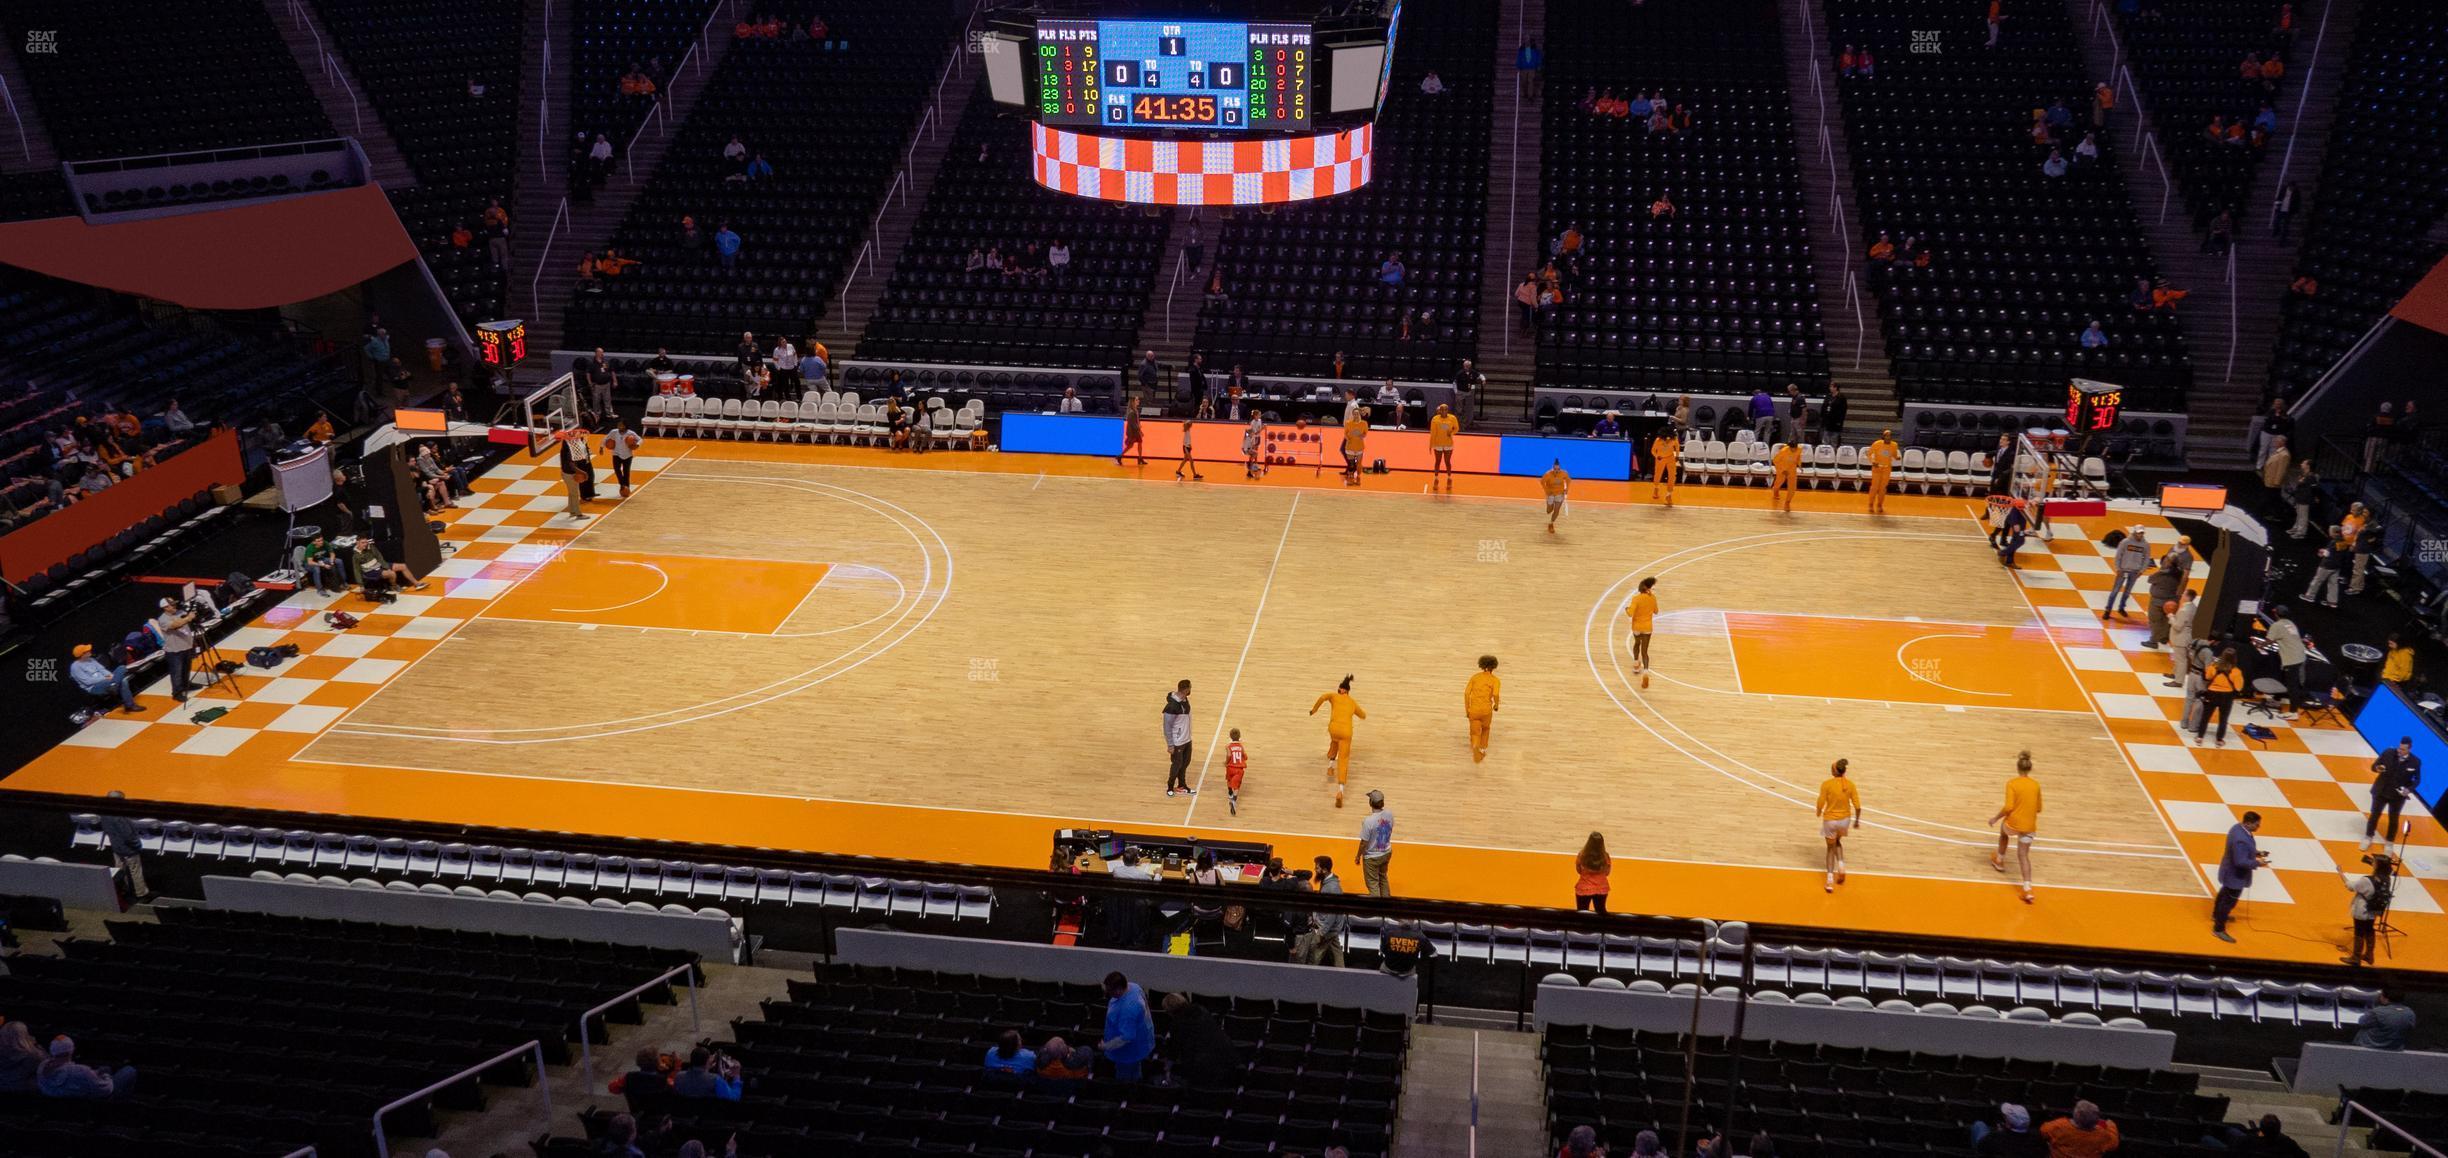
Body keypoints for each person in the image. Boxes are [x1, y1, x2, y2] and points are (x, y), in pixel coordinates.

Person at [1989, 751, 2042, 904]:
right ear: (2030, 768)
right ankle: (2028, 890)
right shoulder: (2036, 785)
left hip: (2013, 824)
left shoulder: (2012, 783)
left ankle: (1999, 860)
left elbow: (2008, 807)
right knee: (2023, 856)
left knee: (2003, 832)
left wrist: (1995, 818)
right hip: (2029, 825)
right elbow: (2038, 808)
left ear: (2017, 768)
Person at [2211, 812, 2269, 942]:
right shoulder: (2241, 840)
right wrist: (2257, 863)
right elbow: (2240, 861)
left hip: (2228, 870)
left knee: (2223, 893)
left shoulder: (2237, 828)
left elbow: (2243, 850)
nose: (2258, 827)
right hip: (2235, 876)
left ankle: (2216, 915)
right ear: (2248, 823)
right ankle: (2218, 929)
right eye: (2257, 825)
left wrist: (2256, 852)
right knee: (2228, 902)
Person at [1161, 993, 1243, 1086]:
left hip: (1204, 1068)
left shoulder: (1177, 1025)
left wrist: (1167, 1069)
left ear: (1170, 1012)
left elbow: (1174, 1051)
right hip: (1228, 1059)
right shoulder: (1201, 1010)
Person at [1312, 676, 1367, 806]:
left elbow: (1322, 697)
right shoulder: (1352, 702)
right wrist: (1363, 715)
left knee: (1334, 742)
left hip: (1333, 729)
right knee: (1343, 759)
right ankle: (1340, 791)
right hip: (1346, 733)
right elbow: (1362, 715)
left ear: (1340, 690)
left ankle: (1330, 767)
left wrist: (1314, 710)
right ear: (1347, 691)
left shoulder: (1333, 696)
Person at [1097, 971, 1156, 1081]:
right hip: (1141, 1039)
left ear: (1119, 989)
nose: (1107, 992)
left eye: (1109, 990)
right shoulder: (1134, 987)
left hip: (1129, 1052)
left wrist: (1106, 1046)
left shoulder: (1128, 1010)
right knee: (1135, 1068)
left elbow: (1126, 1037)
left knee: (1126, 1076)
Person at [95, 790, 153, 902]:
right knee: (135, 870)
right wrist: (137, 845)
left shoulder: (104, 813)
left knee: (120, 871)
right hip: (128, 849)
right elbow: (128, 835)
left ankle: (122, 890)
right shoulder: (119, 816)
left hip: (116, 847)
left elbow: (106, 830)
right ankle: (141, 893)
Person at [2365, 737, 2421, 850]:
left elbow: (2417, 779)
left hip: (2397, 796)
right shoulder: (2388, 753)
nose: (2400, 751)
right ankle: (2368, 836)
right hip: (2381, 790)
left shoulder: (2415, 762)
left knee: (2393, 819)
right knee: (2374, 815)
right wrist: (2377, 768)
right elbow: (2374, 766)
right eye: (2399, 748)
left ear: (2409, 749)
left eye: (2403, 750)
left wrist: (2408, 789)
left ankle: (2389, 842)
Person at [1816, 758, 1862, 893]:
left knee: (1830, 849)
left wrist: (1818, 811)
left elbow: (1821, 801)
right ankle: (1841, 865)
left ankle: (1829, 880)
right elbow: (1858, 806)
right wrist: (1857, 821)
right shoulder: (1851, 785)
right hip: (1844, 820)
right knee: (1838, 842)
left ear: (1835, 771)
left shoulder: (1826, 784)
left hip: (1830, 820)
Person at [37, 1037, 133, 1098]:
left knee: (105, 1068)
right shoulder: (80, 1070)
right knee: (129, 1070)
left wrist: (94, 1074)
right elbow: (106, 1090)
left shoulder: (42, 1067)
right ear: (71, 1050)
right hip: (91, 1104)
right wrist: (106, 1076)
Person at [2144, 537, 2193, 646]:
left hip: (2160, 598)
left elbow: (2150, 579)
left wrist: (2180, 591)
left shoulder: (2187, 558)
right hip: (2172, 597)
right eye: (2179, 542)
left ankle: (2153, 641)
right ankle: (2164, 638)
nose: (2180, 544)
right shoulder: (2174, 553)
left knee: (2155, 619)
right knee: (2168, 618)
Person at [2345, 854, 2392, 967]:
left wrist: (2342, 875)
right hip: (2374, 909)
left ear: (2378, 865)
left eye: (2374, 861)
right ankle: (2369, 955)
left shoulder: (2367, 880)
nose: (2372, 862)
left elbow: (2351, 886)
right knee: (2369, 929)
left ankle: (2356, 957)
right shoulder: (2387, 878)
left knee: (2359, 931)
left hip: (2362, 908)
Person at [151, 597, 199, 703]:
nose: (174, 607)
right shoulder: (162, 619)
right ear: (165, 608)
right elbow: (175, 625)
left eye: (174, 604)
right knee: (176, 672)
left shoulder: (180, 612)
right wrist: (188, 618)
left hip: (186, 645)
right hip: (174, 650)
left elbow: (187, 620)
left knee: (186, 668)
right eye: (171, 605)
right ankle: (176, 693)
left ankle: (186, 684)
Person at [2195, 648, 2245, 748]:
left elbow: (2208, 677)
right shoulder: (2236, 672)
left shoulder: (2213, 667)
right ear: (2235, 658)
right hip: (2227, 697)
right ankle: (2219, 739)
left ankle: (2200, 737)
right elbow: (2239, 687)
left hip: (2212, 694)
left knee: (2206, 717)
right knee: (2223, 719)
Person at [69, 644, 139, 714]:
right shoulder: (75, 667)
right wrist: (105, 678)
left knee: (121, 668)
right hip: (94, 687)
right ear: (82, 654)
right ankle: (129, 705)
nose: (90, 651)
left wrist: (111, 676)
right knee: (123, 681)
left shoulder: (91, 660)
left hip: (107, 680)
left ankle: (114, 684)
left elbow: (102, 670)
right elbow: (88, 681)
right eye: (87, 651)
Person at [2040, 1103, 2119, 1158]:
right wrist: (2111, 1125)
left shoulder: (2060, 1126)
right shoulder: (2103, 1135)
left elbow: (2043, 1130)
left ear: (2076, 1114)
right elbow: (2114, 1144)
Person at [1357, 788, 1394, 895]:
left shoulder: (1368, 821)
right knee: (1383, 878)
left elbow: (1364, 842)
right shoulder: (1389, 814)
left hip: (1372, 857)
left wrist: (1358, 856)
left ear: (1370, 803)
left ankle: (1376, 909)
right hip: (1386, 852)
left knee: (1373, 884)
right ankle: (1386, 906)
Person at [1974, 1104, 2047, 1158]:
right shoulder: (2037, 1140)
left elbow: (1982, 1146)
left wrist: (2000, 1132)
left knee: (1979, 1125)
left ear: (2009, 1125)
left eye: (2006, 1118)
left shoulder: (1995, 1138)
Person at [1624, 576, 1660, 684]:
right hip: (1647, 627)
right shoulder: (1652, 598)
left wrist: (1626, 609)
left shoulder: (1636, 599)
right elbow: (1656, 611)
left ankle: (1636, 665)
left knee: (1636, 643)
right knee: (1645, 651)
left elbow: (1630, 613)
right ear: (1648, 588)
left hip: (1637, 627)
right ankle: (1645, 672)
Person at [1465, 655, 1501, 763]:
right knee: (1485, 728)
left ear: (1481, 665)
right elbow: (1495, 694)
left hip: (1474, 710)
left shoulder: (1475, 677)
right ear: (1494, 667)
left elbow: (1466, 693)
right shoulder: (1495, 680)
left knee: (1475, 732)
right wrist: (1496, 705)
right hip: (1486, 711)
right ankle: (1482, 748)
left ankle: (1475, 746)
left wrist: (1467, 709)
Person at [670, 1047, 742, 1100]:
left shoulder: (679, 1077)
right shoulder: (715, 1079)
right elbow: (734, 1098)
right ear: (707, 1062)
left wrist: (707, 1069)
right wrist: (736, 1076)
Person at [1163, 679, 1194, 798]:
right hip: (1177, 741)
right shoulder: (1171, 706)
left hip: (1187, 739)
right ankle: (1170, 786)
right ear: (1186, 690)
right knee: (1176, 764)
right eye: (1190, 688)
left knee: (1185, 763)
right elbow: (1167, 727)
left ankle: (1182, 785)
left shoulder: (1184, 699)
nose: (1191, 690)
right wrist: (1170, 745)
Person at [2302, 525, 2347, 607]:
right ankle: (2332, 602)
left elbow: (2327, 554)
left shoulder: (2334, 542)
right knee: (2333, 584)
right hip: (2336, 566)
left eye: (2330, 531)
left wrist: (2322, 551)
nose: (2329, 532)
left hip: (2327, 565)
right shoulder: (2343, 541)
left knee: (2317, 581)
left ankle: (2309, 596)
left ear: (2334, 532)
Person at [2162, 588, 2198, 688]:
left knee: (2181, 660)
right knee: (2179, 658)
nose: (2182, 595)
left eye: (2184, 594)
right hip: (2184, 637)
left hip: (2181, 638)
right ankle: (2175, 674)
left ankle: (2178, 681)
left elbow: (2178, 626)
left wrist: (2170, 616)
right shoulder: (2192, 607)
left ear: (2187, 596)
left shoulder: (2184, 610)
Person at [557, 428, 592, 521]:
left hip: (566, 473)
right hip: (569, 474)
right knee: (575, 494)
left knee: (571, 493)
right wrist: (582, 472)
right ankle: (578, 514)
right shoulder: (567, 451)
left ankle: (572, 511)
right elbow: (571, 464)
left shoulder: (566, 449)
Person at [1573, 831, 1611, 912]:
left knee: (1582, 912)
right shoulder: (1606, 857)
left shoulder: (1582, 855)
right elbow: (1607, 873)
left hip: (1584, 888)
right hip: (1601, 888)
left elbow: (1578, 870)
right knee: (1601, 911)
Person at [605, 417, 642, 498]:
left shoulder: (630, 433)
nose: (619, 426)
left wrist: (637, 445)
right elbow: (605, 439)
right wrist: (602, 447)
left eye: (621, 425)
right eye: (618, 425)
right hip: (616, 454)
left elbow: (640, 439)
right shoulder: (614, 432)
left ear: (625, 426)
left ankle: (627, 488)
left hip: (628, 455)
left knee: (626, 472)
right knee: (617, 470)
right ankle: (622, 485)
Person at [1865, 429, 1899, 514]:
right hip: (1877, 468)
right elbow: (1869, 454)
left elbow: (1894, 455)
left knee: (1882, 488)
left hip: (1887, 469)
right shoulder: (1877, 444)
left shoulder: (1894, 445)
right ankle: (1870, 504)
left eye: (1889, 435)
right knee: (1874, 487)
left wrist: (1897, 457)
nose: (1888, 437)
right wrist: (1873, 461)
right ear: (1883, 436)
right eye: (1886, 435)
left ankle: (1879, 504)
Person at [1427, 403, 1459, 483]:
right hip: (1438, 444)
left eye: (1445, 409)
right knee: (1438, 461)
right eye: (1442, 409)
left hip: (1448, 444)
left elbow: (1456, 428)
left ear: (1447, 410)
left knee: (1447, 461)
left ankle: (1449, 477)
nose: (1443, 411)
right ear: (1439, 411)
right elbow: (1433, 432)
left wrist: (1451, 433)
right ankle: (1436, 477)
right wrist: (1431, 444)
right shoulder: (1435, 419)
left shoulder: (1452, 418)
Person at [1340, 406, 1369, 486]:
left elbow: (1365, 434)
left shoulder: (1364, 423)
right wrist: (1348, 438)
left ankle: (1358, 476)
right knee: (1351, 464)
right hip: (1350, 446)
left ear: (1359, 414)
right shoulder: (1348, 423)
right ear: (1353, 415)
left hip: (1359, 446)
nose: (1356, 415)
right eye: (1354, 414)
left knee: (1359, 464)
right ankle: (1351, 476)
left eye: (1357, 414)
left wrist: (1360, 435)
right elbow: (1345, 434)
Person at [1769, 440, 1801, 512]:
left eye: (1795, 448)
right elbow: (1775, 461)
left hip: (1792, 469)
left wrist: (1799, 465)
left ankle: (1787, 502)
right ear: (1789, 447)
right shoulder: (1783, 451)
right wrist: (1783, 470)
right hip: (1782, 468)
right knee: (1779, 482)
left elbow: (1798, 457)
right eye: (1792, 448)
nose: (1794, 450)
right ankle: (1775, 490)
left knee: (1792, 487)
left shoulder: (1799, 449)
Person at [1224, 727, 1248, 815]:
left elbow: (1229, 755)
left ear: (1230, 736)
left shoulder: (1228, 746)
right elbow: (1245, 757)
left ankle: (1229, 792)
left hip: (1230, 767)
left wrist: (1226, 762)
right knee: (1237, 786)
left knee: (1229, 780)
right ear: (1240, 736)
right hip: (1239, 769)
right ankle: (1233, 800)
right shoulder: (1241, 747)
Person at [1541, 459, 1570, 533]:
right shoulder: (1547, 474)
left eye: (1558, 469)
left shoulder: (1564, 473)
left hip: (1559, 494)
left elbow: (1568, 480)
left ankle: (1551, 523)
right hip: (1550, 494)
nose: (1557, 470)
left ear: (1560, 468)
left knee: (1556, 510)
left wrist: (1566, 489)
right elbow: (1542, 482)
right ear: (1552, 468)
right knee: (1549, 511)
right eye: (1555, 469)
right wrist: (1546, 491)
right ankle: (1550, 506)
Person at [1118, 396, 1145, 465]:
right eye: (1136, 400)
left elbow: (1136, 422)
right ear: (1133, 402)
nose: (1138, 401)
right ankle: (1120, 456)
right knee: (1130, 446)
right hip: (1133, 432)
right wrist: (1139, 430)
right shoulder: (1132, 412)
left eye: (1138, 399)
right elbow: (1133, 424)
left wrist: (1139, 430)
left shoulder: (1135, 410)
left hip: (1135, 431)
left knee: (1140, 443)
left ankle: (1140, 458)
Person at [1242, 413, 1266, 479]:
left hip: (1256, 438)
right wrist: (1262, 429)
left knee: (1255, 452)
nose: (1260, 416)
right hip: (1251, 441)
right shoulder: (1252, 423)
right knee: (1254, 453)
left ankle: (1252, 467)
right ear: (1255, 416)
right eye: (1258, 415)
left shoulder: (1260, 420)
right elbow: (1254, 433)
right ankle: (1251, 466)